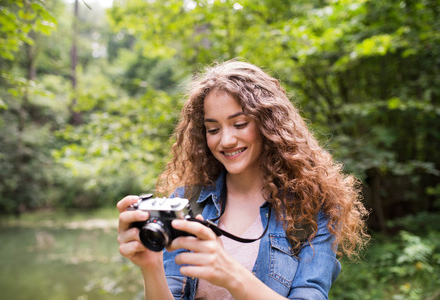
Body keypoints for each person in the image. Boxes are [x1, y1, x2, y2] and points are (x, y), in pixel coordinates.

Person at [117, 60, 369, 300]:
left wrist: (231, 274)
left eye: (239, 124)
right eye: (213, 129)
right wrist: (151, 266)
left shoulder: (314, 208)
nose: (226, 140)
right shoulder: (186, 202)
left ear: (268, 123)